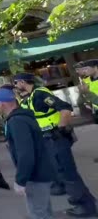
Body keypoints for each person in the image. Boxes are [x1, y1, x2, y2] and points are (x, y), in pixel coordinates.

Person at [15, 72, 97, 217]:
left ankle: (86, 206)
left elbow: (65, 108)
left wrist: (59, 129)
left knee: (68, 174)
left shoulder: (40, 94)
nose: (15, 87)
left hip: (55, 138)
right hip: (47, 139)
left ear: (22, 82)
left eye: (16, 83)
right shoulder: (30, 97)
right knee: (61, 171)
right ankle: (85, 202)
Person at [0, 88, 54, 219]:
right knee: (44, 211)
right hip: (41, 171)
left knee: (38, 213)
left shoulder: (16, 121)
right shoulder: (22, 117)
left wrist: (21, 180)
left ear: (2, 103)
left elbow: (25, 153)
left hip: (36, 175)